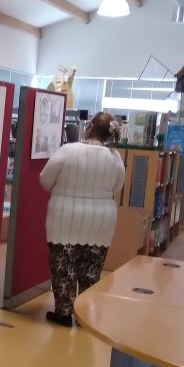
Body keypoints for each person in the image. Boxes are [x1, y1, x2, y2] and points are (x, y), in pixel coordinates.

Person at [38, 111, 125, 326]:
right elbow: (118, 187)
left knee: (64, 267)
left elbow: (45, 180)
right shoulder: (115, 157)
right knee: (91, 269)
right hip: (101, 221)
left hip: (65, 218)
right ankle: (85, 315)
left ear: (89, 127)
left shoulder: (68, 151)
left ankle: (64, 313)